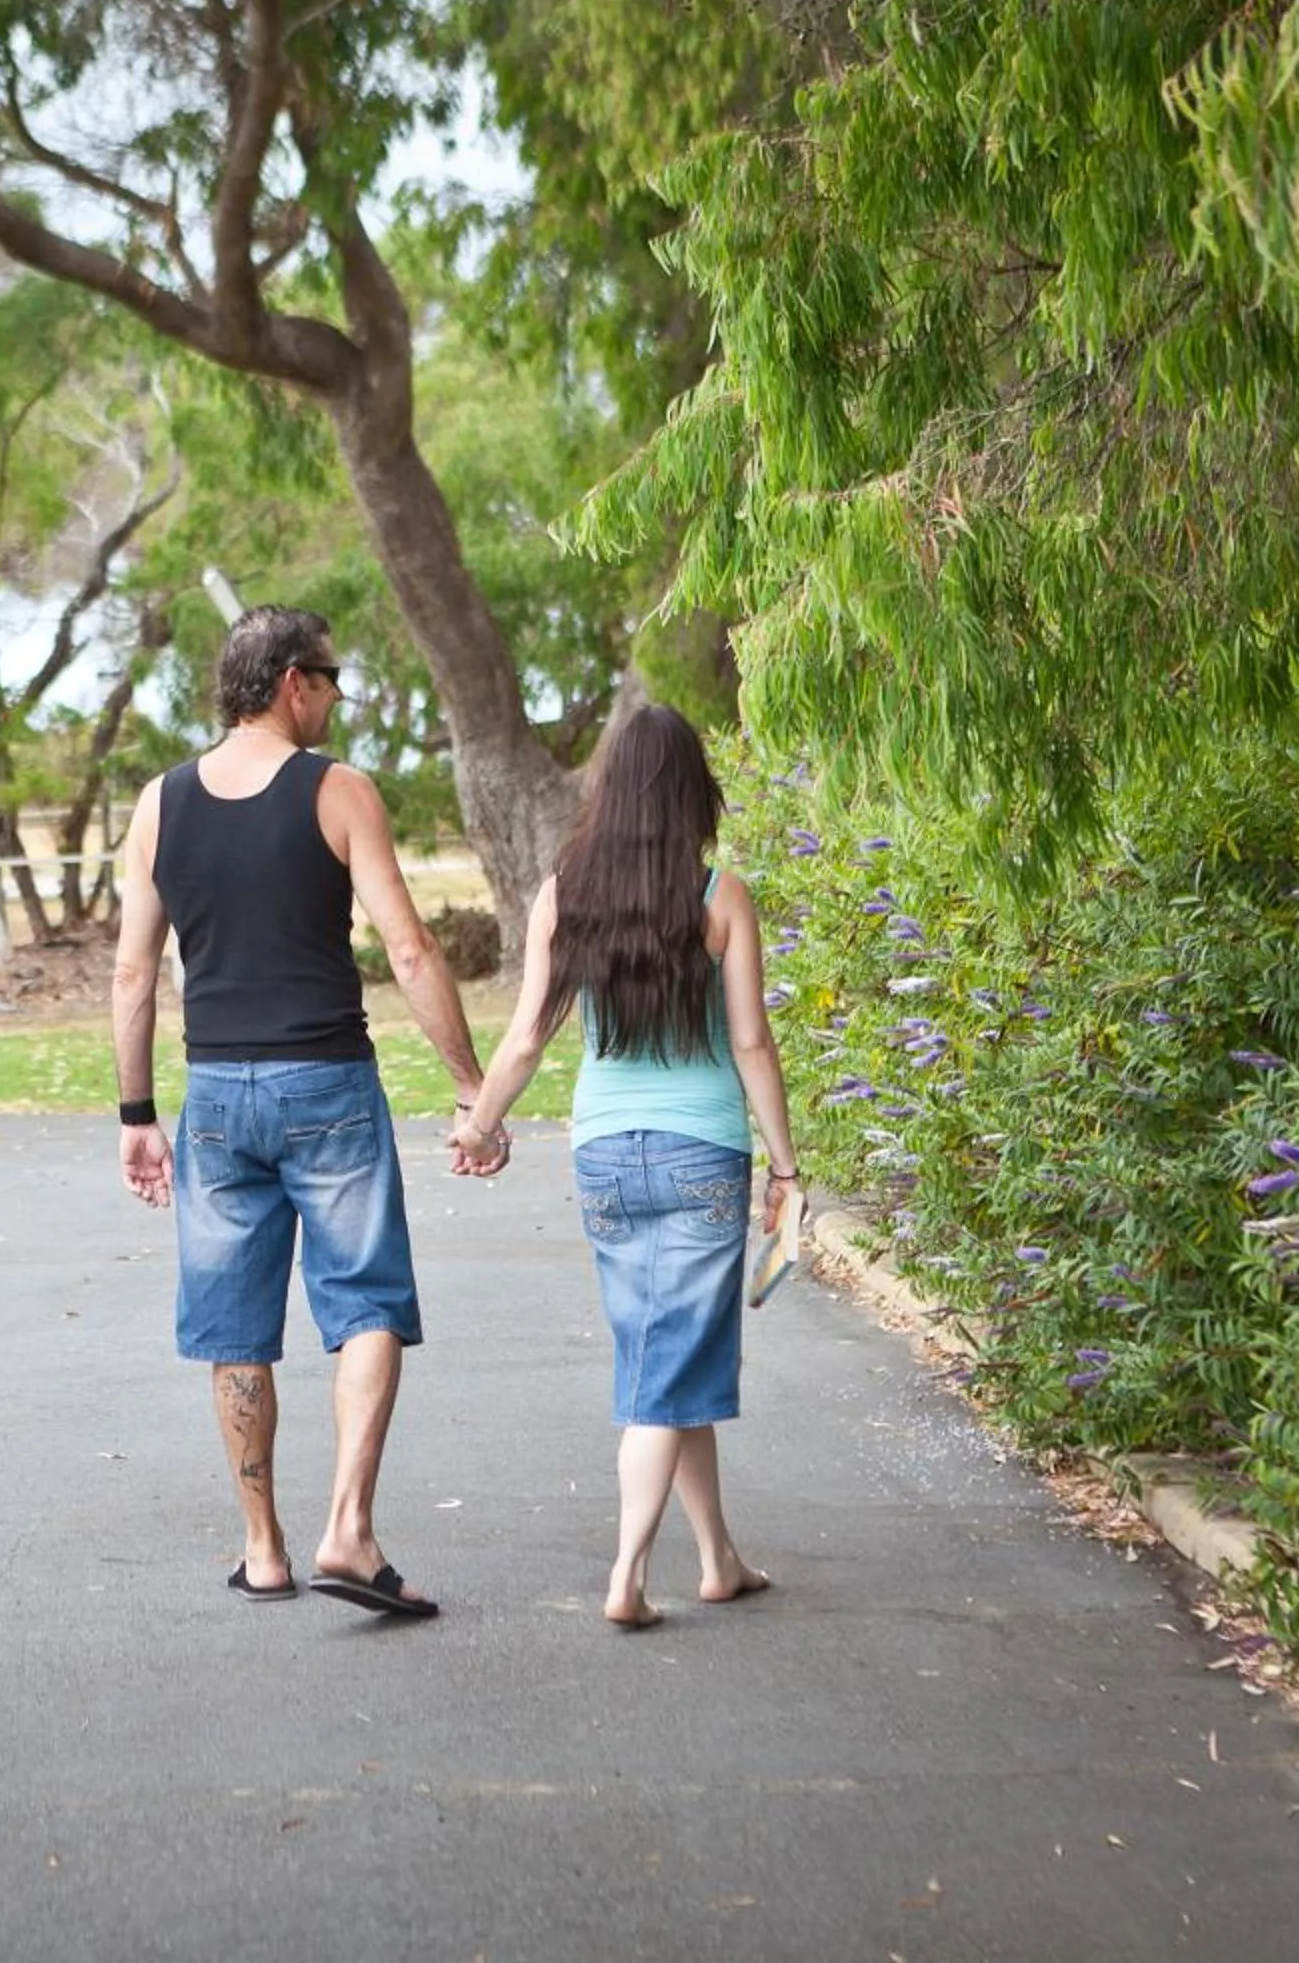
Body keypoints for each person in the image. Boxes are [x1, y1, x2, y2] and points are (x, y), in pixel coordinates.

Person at [110, 604, 496, 1619]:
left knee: (235, 1324)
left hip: (217, 1094)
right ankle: (349, 1530)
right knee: (364, 1300)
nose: (334, 699)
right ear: (292, 681)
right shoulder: (338, 791)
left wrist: (137, 1110)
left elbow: (131, 969)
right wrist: (470, 1083)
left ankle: (265, 1547)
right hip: (325, 1081)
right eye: (330, 679)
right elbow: (409, 947)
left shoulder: (162, 801)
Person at [452, 705, 802, 1629]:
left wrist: (482, 1127)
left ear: (607, 787)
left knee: (665, 1350)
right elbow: (753, 1044)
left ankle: (719, 1559)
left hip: (605, 1156)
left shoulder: (565, 891)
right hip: (701, 1154)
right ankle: (627, 1575)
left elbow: (527, 1034)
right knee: (664, 1364)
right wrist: (786, 1166)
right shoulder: (719, 893)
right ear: (693, 788)